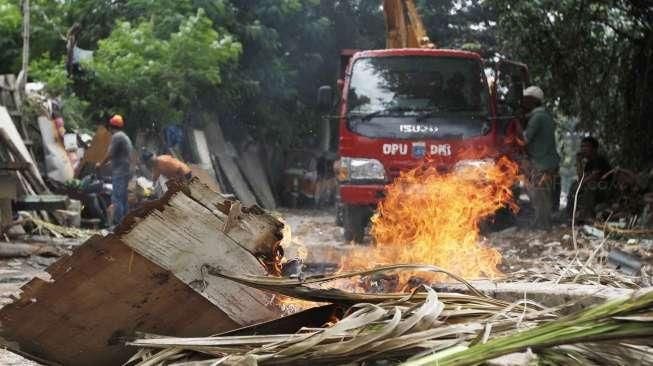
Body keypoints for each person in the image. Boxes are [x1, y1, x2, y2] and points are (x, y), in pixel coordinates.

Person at [521, 86, 560, 230]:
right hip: (548, 162)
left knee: (539, 195)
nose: (523, 102)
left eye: (526, 99)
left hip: (542, 163)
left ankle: (543, 226)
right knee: (542, 195)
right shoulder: (544, 116)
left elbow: (524, 140)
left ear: (532, 101)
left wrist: (516, 127)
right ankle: (543, 224)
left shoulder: (537, 118)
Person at [97, 115, 133, 225]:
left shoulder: (117, 136)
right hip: (125, 170)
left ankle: (118, 225)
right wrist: (109, 163)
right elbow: (121, 155)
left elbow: (110, 153)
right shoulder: (124, 136)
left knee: (116, 198)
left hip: (120, 172)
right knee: (123, 198)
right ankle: (126, 223)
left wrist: (100, 164)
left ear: (111, 127)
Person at [567, 137, 611, 221]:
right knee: (574, 185)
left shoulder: (599, 159)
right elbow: (581, 178)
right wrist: (579, 162)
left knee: (590, 187)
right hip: (594, 187)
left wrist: (581, 184)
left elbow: (595, 176)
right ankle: (570, 214)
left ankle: (587, 215)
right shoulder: (589, 163)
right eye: (582, 146)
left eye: (586, 146)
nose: (583, 149)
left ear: (594, 148)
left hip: (604, 188)